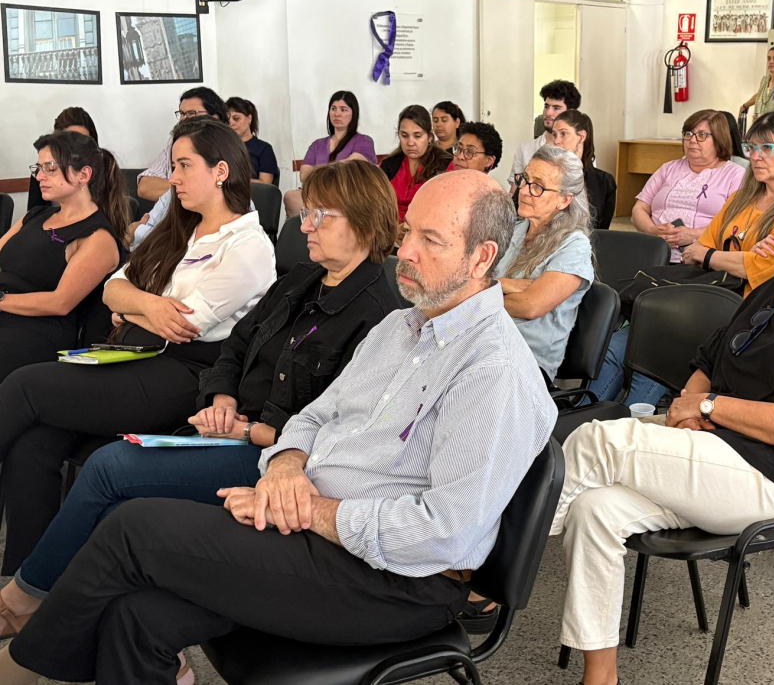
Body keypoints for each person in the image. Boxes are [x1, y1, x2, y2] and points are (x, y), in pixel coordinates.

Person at [0, 170, 558, 685]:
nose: (404, 252)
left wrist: (307, 508)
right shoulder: (400, 327)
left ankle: (22, 667)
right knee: (136, 616)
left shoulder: (494, 373)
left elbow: (446, 533)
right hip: (316, 525)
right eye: (408, 231)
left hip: (396, 579)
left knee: (133, 525)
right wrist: (288, 467)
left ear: (483, 257)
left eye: (429, 241)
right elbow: (316, 416)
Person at [0, 160, 400, 653]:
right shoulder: (300, 280)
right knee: (98, 482)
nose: (306, 225)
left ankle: (25, 602)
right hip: (225, 424)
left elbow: (338, 432)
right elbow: (235, 347)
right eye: (308, 213)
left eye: (322, 216)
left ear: (363, 221)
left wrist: (248, 430)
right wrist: (222, 398)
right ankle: (67, 616)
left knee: (108, 469)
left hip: (274, 459)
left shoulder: (379, 317)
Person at [553, 153, 774, 685]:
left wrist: (707, 408)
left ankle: (476, 574)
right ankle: (600, 675)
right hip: (715, 453)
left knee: (594, 441)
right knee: (594, 509)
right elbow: (711, 360)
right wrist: (689, 411)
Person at [0, 117, 276, 580]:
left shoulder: (248, 245)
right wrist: (142, 307)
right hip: (136, 355)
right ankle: (25, 580)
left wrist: (132, 309)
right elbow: (115, 288)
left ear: (221, 171)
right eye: (175, 166)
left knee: (26, 385)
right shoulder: (181, 226)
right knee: (34, 443)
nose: (174, 178)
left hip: (183, 376)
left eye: (185, 166)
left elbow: (186, 325)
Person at [591, 111, 774, 407]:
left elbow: (757, 268)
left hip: (749, 308)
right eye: (751, 148)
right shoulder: (741, 199)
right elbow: (696, 251)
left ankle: (630, 423)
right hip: (709, 292)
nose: (756, 157)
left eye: (767, 148)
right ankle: (582, 420)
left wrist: (714, 256)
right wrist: (731, 256)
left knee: (655, 344)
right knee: (617, 344)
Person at [0, 130, 128, 382]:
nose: (39, 176)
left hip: (38, 329)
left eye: (50, 168)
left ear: (84, 175)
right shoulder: (35, 216)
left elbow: (60, 303)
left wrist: (1, 300)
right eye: (38, 168)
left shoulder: (96, 237)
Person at [498, 146, 594, 382]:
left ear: (564, 200)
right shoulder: (514, 230)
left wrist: (488, 286)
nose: (524, 191)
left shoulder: (574, 245)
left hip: (525, 363)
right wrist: (506, 285)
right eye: (525, 180)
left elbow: (530, 306)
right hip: (486, 342)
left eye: (538, 187)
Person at [630, 110, 745, 263]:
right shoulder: (668, 168)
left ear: (719, 140)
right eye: (688, 134)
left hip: (700, 259)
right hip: (653, 252)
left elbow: (737, 223)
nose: (692, 140)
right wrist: (653, 231)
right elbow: (639, 209)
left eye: (702, 135)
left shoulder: (734, 174)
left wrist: (694, 234)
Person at [284, 91, 377, 219]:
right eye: (333, 109)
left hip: (346, 195)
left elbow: (350, 166)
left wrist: (317, 170)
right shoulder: (317, 144)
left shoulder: (363, 141)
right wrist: (335, 167)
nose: (337, 114)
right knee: (291, 196)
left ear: (353, 114)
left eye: (343, 109)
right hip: (317, 193)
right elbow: (304, 174)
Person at [137, 87, 228, 202]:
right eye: (182, 114)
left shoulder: (229, 148)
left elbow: (226, 190)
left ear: (215, 117)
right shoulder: (175, 147)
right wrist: (191, 189)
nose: (184, 119)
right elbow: (145, 187)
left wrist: (179, 189)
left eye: (191, 113)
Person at [381, 104, 453, 224]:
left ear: (429, 137)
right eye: (404, 136)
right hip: (391, 231)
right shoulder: (389, 165)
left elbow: (446, 211)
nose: (410, 142)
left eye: (417, 136)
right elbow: (379, 206)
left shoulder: (445, 165)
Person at [508, 79, 582, 193]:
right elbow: (514, 192)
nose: (548, 113)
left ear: (570, 112)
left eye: (556, 108)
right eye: (546, 106)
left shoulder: (580, 150)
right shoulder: (525, 149)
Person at [551, 110, 617, 229]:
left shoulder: (604, 182)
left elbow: (602, 231)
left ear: (582, 136)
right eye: (555, 135)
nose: (556, 141)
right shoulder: (546, 174)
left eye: (563, 134)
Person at [26, 107, 99, 210]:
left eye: (83, 142)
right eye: (71, 142)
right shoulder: (40, 173)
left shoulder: (105, 170)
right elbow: (33, 215)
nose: (40, 177)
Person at [226, 96, 278, 185]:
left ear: (249, 118)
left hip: (253, 196)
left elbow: (265, 184)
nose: (231, 123)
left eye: (236, 118)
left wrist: (233, 182)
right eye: (227, 120)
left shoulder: (264, 149)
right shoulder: (222, 146)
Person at [739, 45, 774, 121]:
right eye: (769, 59)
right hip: (758, 128)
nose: (771, 61)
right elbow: (760, 95)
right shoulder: (764, 80)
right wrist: (745, 105)